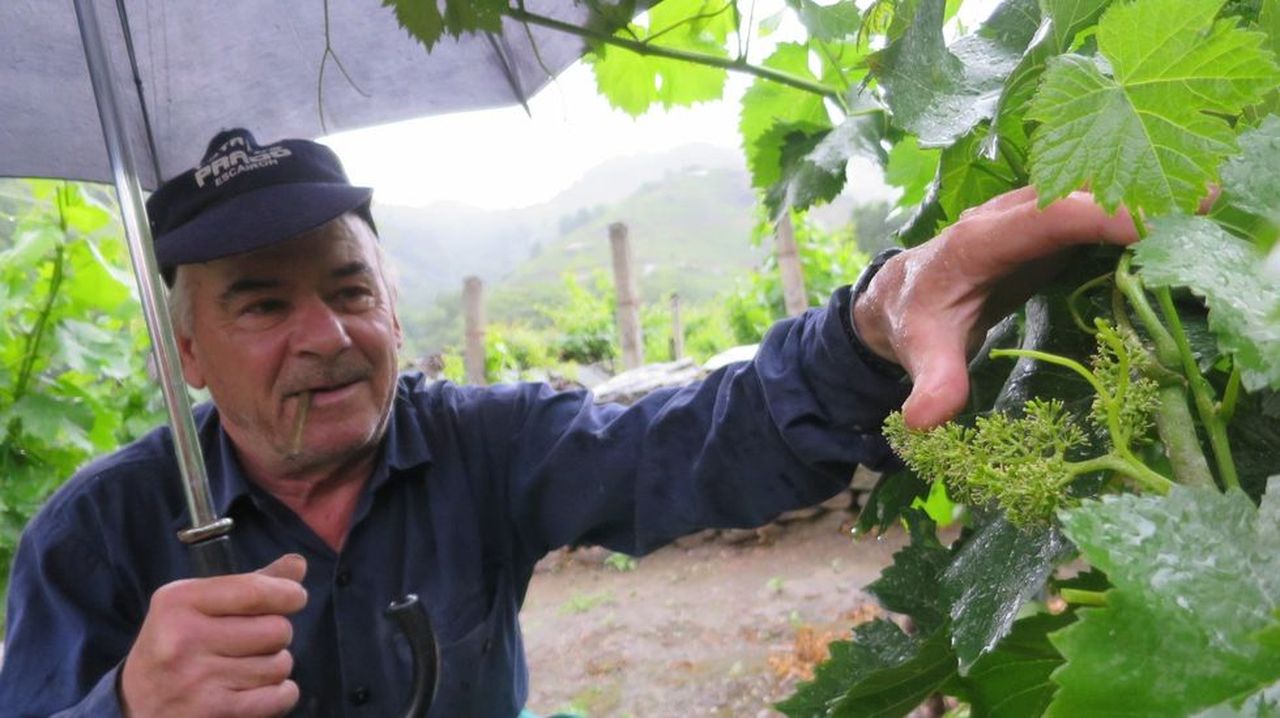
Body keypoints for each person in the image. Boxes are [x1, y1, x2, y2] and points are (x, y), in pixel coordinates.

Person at [0, 128, 1140, 717]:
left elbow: (702, 437)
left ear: (392, 302)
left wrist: (873, 322)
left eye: (349, 289)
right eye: (261, 303)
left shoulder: (485, 447)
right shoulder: (95, 535)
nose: (328, 335)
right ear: (187, 350)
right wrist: (129, 705)